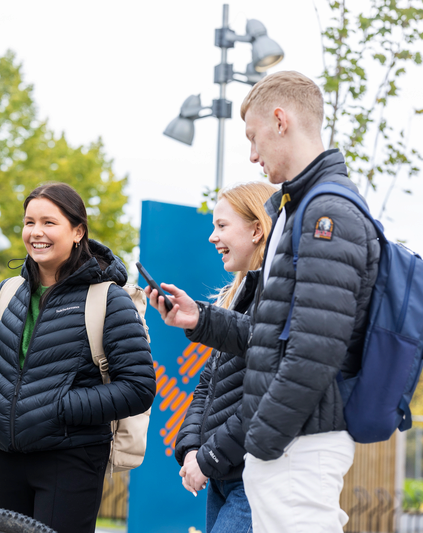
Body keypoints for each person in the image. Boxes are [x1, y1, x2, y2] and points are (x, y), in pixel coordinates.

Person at [148, 71, 381, 532]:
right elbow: (271, 340)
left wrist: (256, 440)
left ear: (280, 120)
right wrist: (202, 320)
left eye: (253, 138)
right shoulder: (300, 210)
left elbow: (314, 355)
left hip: (294, 449)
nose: (252, 155)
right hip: (283, 449)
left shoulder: (325, 213)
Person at [0, 182, 155, 533]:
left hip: (70, 459)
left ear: (77, 231)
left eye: (49, 223)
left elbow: (138, 387)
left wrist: (59, 408)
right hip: (4, 456)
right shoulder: (8, 293)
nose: (36, 232)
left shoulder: (108, 299)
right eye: (29, 222)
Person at [174, 181, 276, 533]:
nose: (211, 237)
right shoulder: (233, 298)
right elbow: (208, 385)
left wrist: (209, 457)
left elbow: (264, 402)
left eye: (221, 226)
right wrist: (191, 449)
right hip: (222, 476)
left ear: (257, 229)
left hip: (251, 479)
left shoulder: (279, 301)